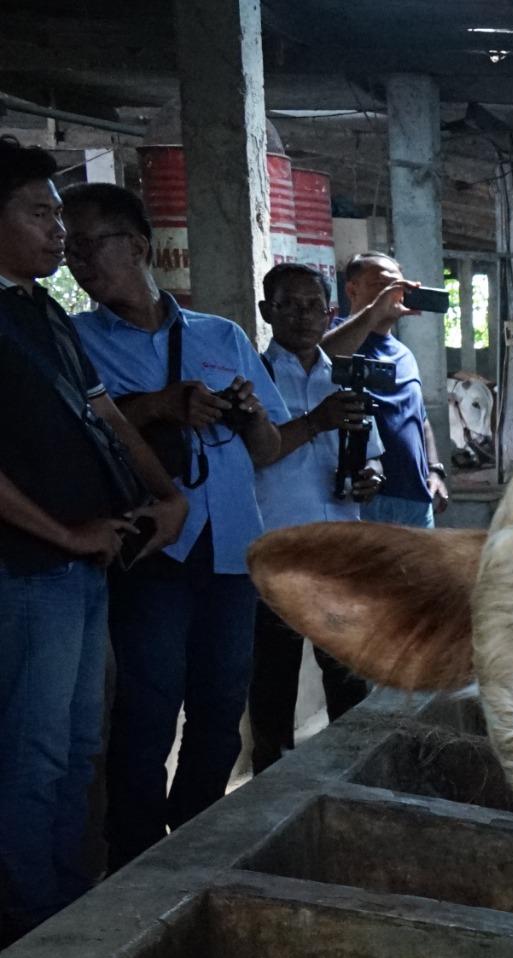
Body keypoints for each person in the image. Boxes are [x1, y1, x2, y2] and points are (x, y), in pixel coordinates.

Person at [63, 181, 285, 868]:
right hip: (153, 551)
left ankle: (193, 846)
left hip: (229, 553)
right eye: (70, 250)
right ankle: (133, 855)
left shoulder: (220, 336)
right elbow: (74, 434)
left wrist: (246, 414)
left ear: (139, 245)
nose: (79, 262)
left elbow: (269, 449)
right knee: (146, 713)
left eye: (91, 244)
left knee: (220, 715)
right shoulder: (73, 341)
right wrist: (162, 404)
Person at [0, 142, 187, 945]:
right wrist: (63, 531)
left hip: (80, 570)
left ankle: (70, 910)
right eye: (40, 214)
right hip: (24, 571)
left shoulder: (41, 313)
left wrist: (167, 495)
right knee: (32, 761)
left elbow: (106, 413)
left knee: (79, 754)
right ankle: (31, 934)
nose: (58, 233)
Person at [248, 260, 378, 772]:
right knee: (273, 681)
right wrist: (315, 421)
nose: (303, 317)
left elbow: (370, 456)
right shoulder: (253, 376)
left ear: (330, 314)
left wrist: (371, 478)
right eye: (288, 306)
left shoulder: (346, 378)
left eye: (313, 307)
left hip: (341, 551)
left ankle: (356, 774)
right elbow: (258, 454)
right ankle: (271, 785)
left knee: (348, 675)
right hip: (279, 551)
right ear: (267, 311)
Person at [321, 253, 447, 526]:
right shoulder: (335, 337)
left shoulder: (405, 355)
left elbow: (420, 420)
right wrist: (373, 312)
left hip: (414, 498)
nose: (392, 293)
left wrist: (435, 470)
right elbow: (320, 359)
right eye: (380, 285)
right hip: (362, 496)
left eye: (397, 286)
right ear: (352, 289)